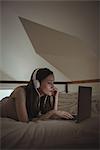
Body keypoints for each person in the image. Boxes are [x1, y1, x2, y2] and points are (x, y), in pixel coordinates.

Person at [0, 68, 73, 122]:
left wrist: (56, 97)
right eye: (49, 83)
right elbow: (24, 121)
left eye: (53, 83)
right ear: (37, 83)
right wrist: (52, 112)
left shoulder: (42, 97)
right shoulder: (21, 91)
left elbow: (50, 116)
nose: (53, 87)